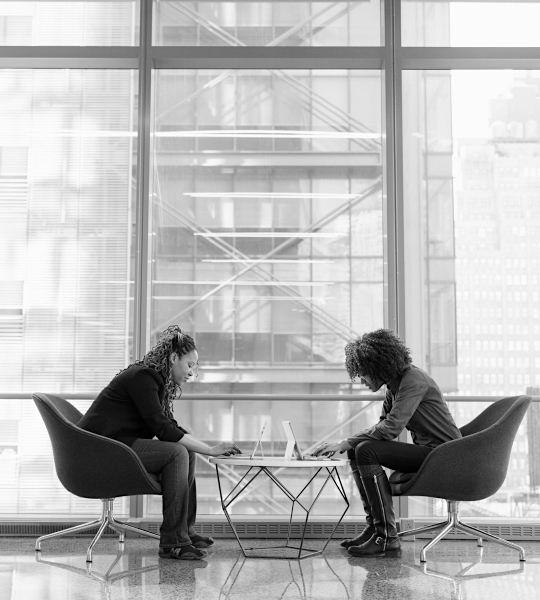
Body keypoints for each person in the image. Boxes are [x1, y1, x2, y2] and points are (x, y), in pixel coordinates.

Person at [78, 325, 241, 560]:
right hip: (99, 450)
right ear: (174, 358)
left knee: (184, 450)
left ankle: (183, 531)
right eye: (190, 365)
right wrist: (210, 450)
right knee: (177, 453)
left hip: (118, 445)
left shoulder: (154, 378)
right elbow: (163, 430)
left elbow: (169, 426)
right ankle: (173, 542)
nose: (192, 372)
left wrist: (204, 447)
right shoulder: (143, 377)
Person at [311, 329, 461, 558]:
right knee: (358, 449)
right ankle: (375, 529)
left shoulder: (413, 380)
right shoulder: (395, 385)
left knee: (365, 448)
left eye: (363, 375)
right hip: (431, 453)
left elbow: (391, 428)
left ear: (377, 367)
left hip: (445, 456)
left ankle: (386, 537)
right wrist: (347, 444)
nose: (361, 381)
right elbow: (381, 426)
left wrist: (344, 442)